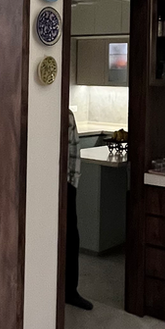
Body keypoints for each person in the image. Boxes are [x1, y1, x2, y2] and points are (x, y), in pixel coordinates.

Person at [65, 109, 92, 310]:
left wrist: (72, 183)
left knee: (71, 237)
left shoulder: (67, 116)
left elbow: (74, 149)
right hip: (47, 184)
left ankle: (70, 291)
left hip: (66, 184)